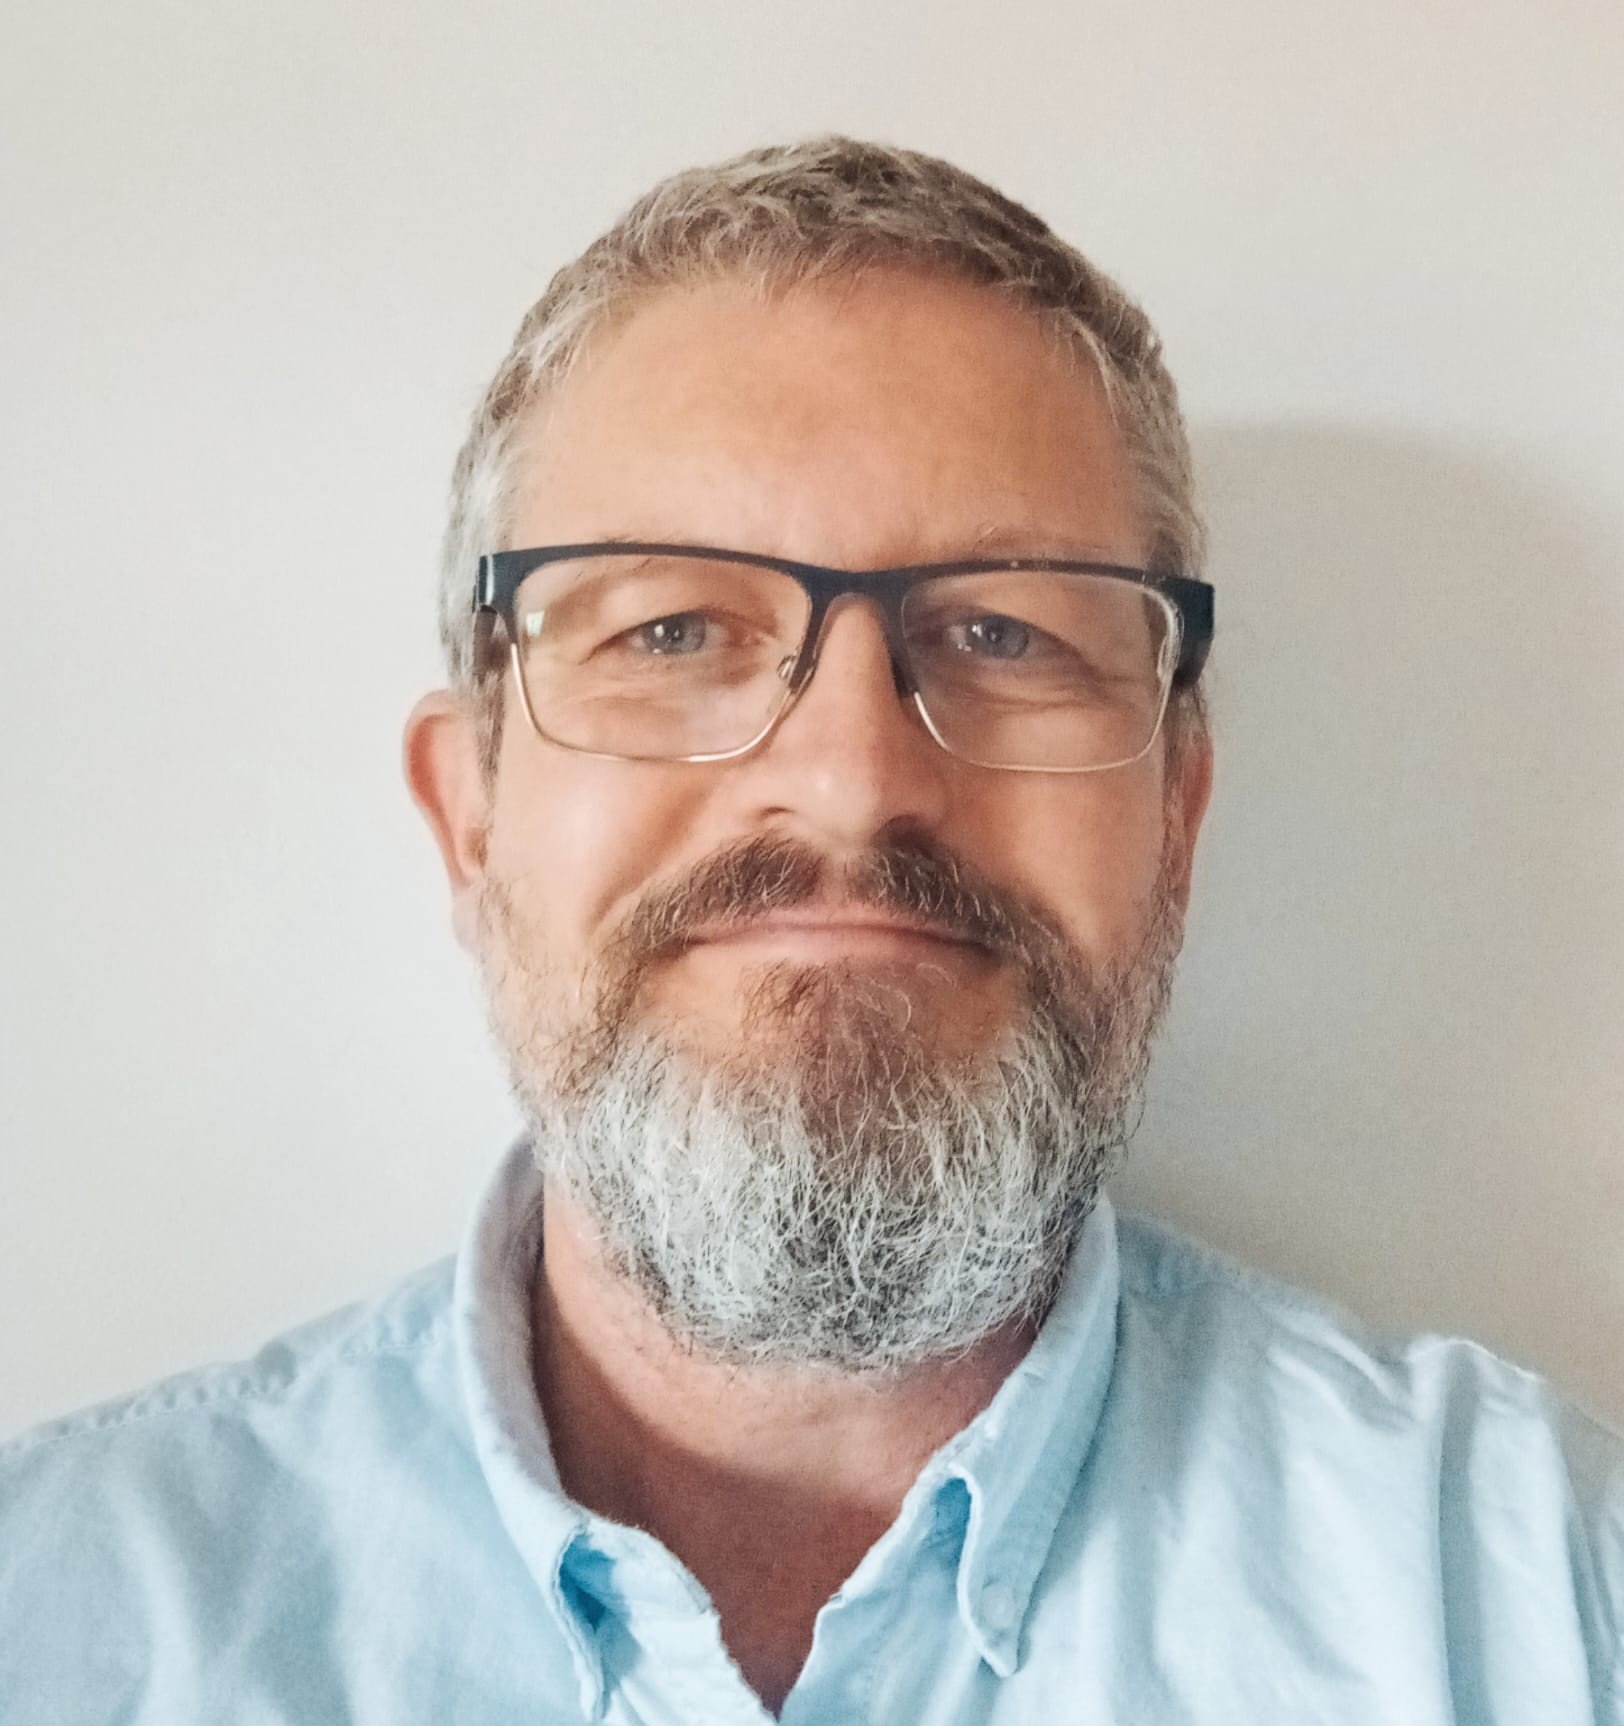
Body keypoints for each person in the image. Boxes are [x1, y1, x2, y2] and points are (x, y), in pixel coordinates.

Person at [1, 136, 1618, 1725]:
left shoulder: (1540, 1600)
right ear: (470, 813)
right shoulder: (56, 1614)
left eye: (1005, 633)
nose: (852, 783)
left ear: (1175, 815)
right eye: (673, 630)